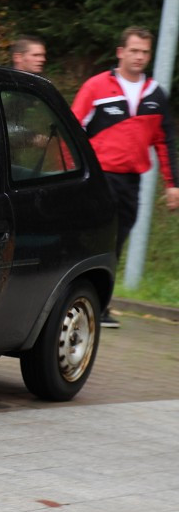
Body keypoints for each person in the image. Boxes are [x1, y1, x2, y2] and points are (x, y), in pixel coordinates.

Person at [71, 26, 179, 327]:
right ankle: (76, 300)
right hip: (97, 177)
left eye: (145, 52)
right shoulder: (96, 87)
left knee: (116, 242)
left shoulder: (155, 95)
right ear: (121, 52)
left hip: (131, 182)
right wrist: (69, 174)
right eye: (134, 50)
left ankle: (100, 307)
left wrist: (174, 185)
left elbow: (165, 141)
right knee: (93, 238)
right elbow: (73, 129)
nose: (139, 57)